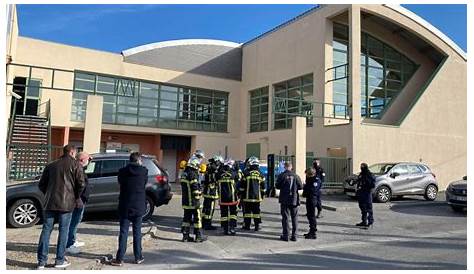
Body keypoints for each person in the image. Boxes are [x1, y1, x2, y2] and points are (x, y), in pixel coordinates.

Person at [37, 144, 85, 269]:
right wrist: (75, 196)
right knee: (64, 231)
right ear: (73, 153)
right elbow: (81, 184)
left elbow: (41, 184)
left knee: (46, 231)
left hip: (50, 202)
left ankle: (41, 262)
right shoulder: (76, 165)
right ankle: (59, 260)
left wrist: (48, 194)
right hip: (67, 204)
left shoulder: (51, 165)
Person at [110, 152, 148, 266]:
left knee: (123, 232)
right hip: (138, 205)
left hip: (125, 205)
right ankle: (138, 257)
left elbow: (120, 183)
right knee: (137, 232)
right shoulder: (144, 171)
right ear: (139, 160)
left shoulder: (122, 171)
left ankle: (119, 258)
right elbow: (144, 183)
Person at [66, 152, 91, 255]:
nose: (88, 162)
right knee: (73, 223)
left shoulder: (77, 167)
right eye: (87, 160)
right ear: (82, 160)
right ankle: (69, 245)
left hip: (79, 200)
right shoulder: (77, 169)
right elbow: (79, 185)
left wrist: (90, 160)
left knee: (75, 222)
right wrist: (78, 198)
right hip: (77, 201)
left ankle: (72, 240)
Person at [180, 157, 206, 242]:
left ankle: (185, 236)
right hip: (193, 202)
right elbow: (195, 188)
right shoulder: (193, 174)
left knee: (186, 219)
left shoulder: (184, 173)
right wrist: (199, 194)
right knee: (197, 218)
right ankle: (198, 236)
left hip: (185, 201)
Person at [275, 162, 303, 242]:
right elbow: (301, 187)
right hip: (294, 199)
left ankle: (286, 235)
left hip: (284, 199)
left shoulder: (282, 175)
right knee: (294, 218)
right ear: (291, 167)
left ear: (284, 167)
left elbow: (277, 186)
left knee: (285, 218)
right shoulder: (296, 176)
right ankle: (294, 236)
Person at [239, 156, 265, 231]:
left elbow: (242, 186)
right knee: (256, 212)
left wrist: (241, 194)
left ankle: (247, 226)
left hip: (247, 197)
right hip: (257, 198)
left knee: (247, 212)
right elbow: (263, 187)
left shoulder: (246, 173)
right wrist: (262, 195)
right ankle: (257, 226)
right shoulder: (260, 174)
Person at [217, 159, 239, 235]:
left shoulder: (219, 174)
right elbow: (238, 181)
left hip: (222, 198)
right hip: (232, 198)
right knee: (233, 213)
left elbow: (214, 179)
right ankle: (232, 228)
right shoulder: (233, 173)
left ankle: (225, 229)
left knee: (224, 214)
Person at [202, 155, 223, 230]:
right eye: (219, 163)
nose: (219, 164)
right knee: (210, 208)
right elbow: (216, 179)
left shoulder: (208, 166)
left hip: (206, 191)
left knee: (205, 207)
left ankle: (203, 222)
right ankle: (208, 224)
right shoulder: (214, 169)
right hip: (211, 192)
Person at [302, 167, 321, 239]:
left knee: (312, 216)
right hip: (309, 199)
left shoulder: (315, 181)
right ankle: (311, 231)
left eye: (307, 174)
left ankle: (313, 233)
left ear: (310, 174)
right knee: (309, 216)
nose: (306, 175)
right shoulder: (310, 180)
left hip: (312, 199)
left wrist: (305, 188)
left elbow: (312, 191)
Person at [355, 163, 376, 229]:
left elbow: (372, 184)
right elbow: (358, 181)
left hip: (367, 193)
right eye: (361, 166)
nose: (361, 167)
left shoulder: (369, 174)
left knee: (368, 208)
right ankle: (364, 221)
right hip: (361, 193)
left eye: (363, 166)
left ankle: (370, 222)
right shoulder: (361, 174)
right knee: (362, 207)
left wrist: (366, 184)